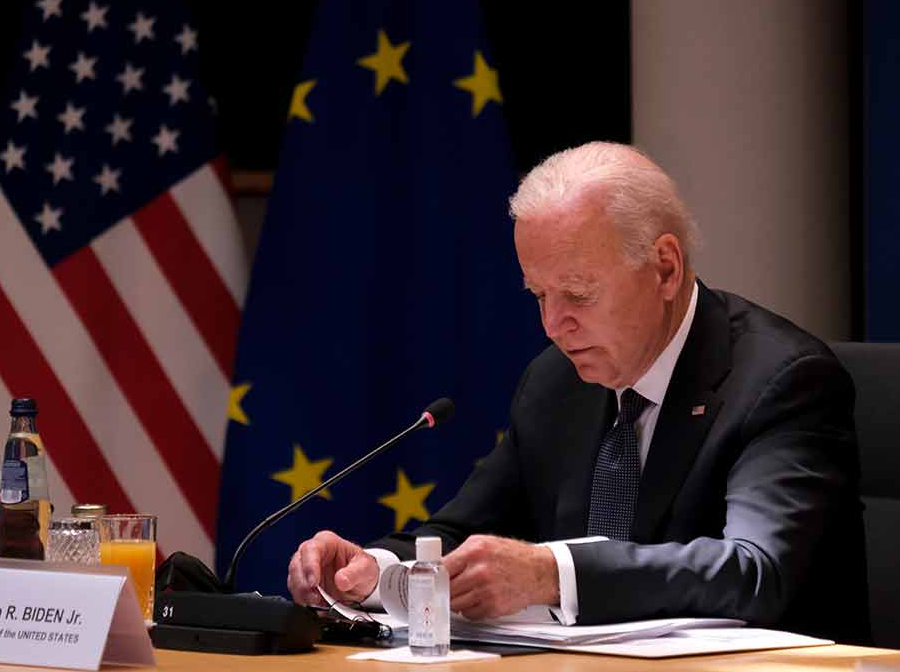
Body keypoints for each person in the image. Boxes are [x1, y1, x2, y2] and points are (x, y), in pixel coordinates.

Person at [286, 142, 869, 642]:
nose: (553, 325)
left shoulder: (781, 381)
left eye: (579, 294)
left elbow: (754, 571)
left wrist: (551, 571)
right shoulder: (555, 381)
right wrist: (375, 568)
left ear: (665, 269)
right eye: (539, 295)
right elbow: (464, 530)